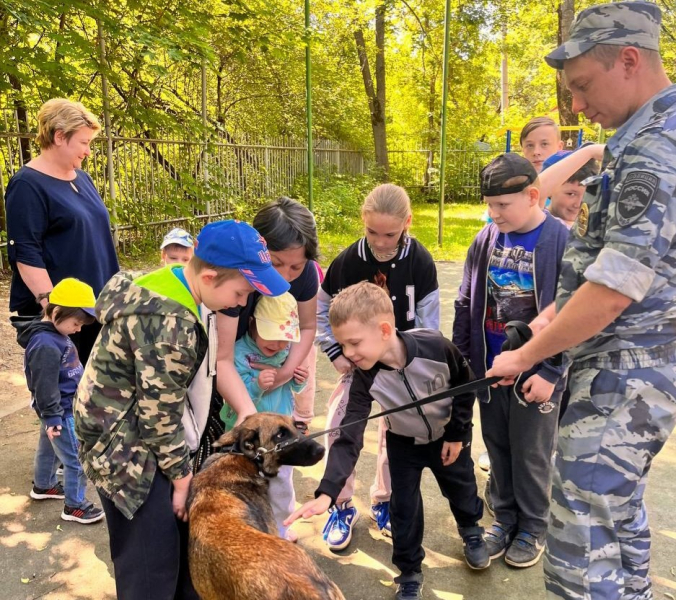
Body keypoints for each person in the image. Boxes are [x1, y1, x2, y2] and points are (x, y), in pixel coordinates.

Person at [488, 3, 676, 598]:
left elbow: (615, 288)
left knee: (579, 541)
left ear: (629, 60)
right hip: (623, 369)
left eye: (582, 86)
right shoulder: (634, 141)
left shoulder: (655, 149)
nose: (575, 106)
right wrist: (548, 318)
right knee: (615, 511)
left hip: (629, 371)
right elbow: (598, 265)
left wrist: (528, 355)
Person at [74, 220, 289, 600]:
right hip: (125, 453)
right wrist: (181, 479)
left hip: (136, 436)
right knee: (150, 565)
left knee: (179, 554)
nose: (242, 302)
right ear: (209, 276)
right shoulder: (170, 323)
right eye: (241, 292)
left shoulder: (172, 280)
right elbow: (160, 417)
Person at [286, 282, 487, 600]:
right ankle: (409, 572)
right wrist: (328, 493)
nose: (348, 354)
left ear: (383, 329)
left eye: (353, 344)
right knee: (403, 508)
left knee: (461, 487)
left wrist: (458, 434)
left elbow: (465, 385)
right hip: (403, 443)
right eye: (342, 345)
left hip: (447, 439)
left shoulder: (435, 346)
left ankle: (471, 529)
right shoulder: (364, 375)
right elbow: (348, 436)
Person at [453, 153, 569, 569]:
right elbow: (466, 300)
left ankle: (533, 525)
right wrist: (463, 359)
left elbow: (573, 314)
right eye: (489, 204)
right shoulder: (486, 240)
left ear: (533, 195)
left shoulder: (560, 241)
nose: (494, 213)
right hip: (491, 369)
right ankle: (503, 517)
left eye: (503, 205)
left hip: (537, 374)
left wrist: (553, 371)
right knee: (498, 446)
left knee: (532, 452)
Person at [316, 183, 439, 550]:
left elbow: (430, 321)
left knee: (395, 433)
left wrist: (415, 363)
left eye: (390, 234)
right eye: (372, 232)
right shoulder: (347, 261)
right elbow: (322, 310)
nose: (381, 242)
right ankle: (339, 504)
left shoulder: (421, 261)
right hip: (357, 364)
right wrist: (335, 351)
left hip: (399, 365)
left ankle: (384, 501)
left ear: (407, 223)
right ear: (363, 223)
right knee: (341, 425)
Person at [5, 98, 119, 365]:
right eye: (84, 142)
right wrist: (54, 309)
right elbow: (26, 251)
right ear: (59, 136)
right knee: (68, 394)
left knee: (99, 390)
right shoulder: (27, 184)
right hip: (67, 314)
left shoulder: (83, 178)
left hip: (95, 305)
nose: (88, 151)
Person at [216, 197, 319, 435]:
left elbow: (307, 326)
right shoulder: (236, 277)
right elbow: (222, 357)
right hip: (230, 360)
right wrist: (246, 410)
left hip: (271, 365)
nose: (285, 276)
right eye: (276, 263)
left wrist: (285, 373)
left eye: (297, 267)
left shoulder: (307, 274)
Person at [12, 278, 104, 524]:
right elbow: (45, 385)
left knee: (49, 448)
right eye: (76, 323)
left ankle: (43, 485)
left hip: (56, 409)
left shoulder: (54, 333)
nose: (79, 329)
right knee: (76, 459)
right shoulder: (45, 344)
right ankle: (75, 506)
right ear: (55, 313)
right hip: (60, 410)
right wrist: (52, 416)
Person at [223, 292, 308, 541]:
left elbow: (294, 389)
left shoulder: (286, 352)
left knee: (281, 485)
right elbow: (233, 398)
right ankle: (248, 529)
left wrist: (300, 381)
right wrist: (257, 385)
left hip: (281, 436)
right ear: (252, 324)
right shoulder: (238, 353)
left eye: (285, 340)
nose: (279, 346)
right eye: (272, 338)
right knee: (245, 484)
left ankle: (279, 530)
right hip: (250, 437)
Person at [542, 151, 599, 228]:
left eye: (587, 194)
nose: (578, 204)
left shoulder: (593, 230)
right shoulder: (537, 222)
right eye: (571, 194)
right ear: (550, 189)